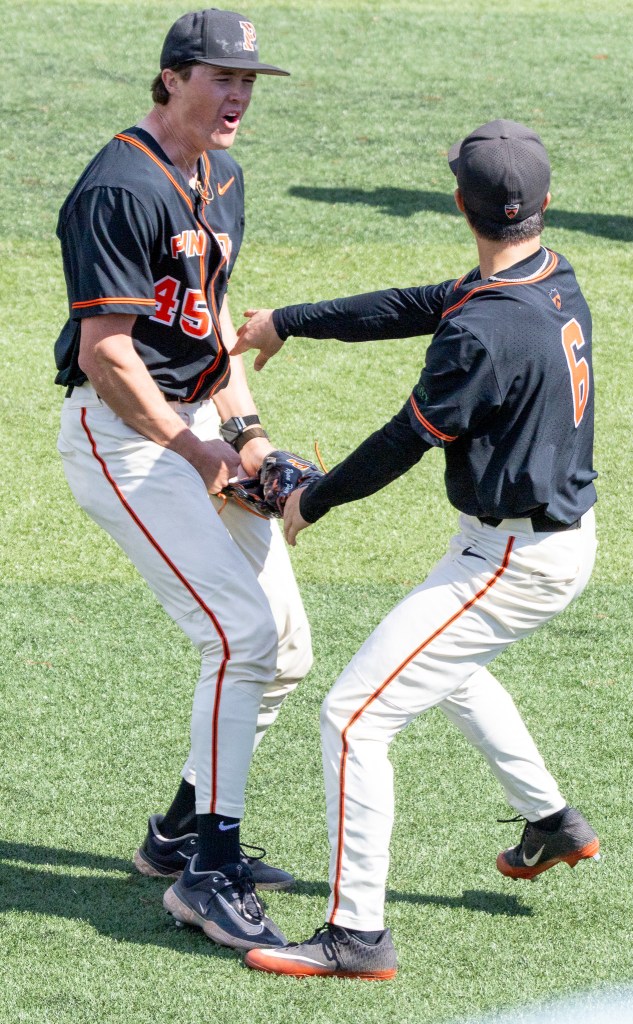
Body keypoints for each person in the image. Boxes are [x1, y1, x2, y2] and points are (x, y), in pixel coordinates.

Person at [235, 120, 601, 979]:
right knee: (443, 667)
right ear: (542, 206)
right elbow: (416, 305)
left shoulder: (482, 335)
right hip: (539, 541)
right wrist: (290, 322)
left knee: (354, 718)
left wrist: (308, 501)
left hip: (513, 562)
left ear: (455, 203)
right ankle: (550, 822)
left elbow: (405, 439)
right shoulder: (548, 278)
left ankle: (356, 935)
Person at [54, 9, 313, 952]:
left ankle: (174, 838)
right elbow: (106, 354)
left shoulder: (225, 175)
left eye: (249, 81)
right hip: (127, 441)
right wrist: (197, 449)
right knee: (238, 632)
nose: (239, 95)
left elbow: (204, 324)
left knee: (283, 647)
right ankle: (210, 869)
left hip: (198, 426)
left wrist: (246, 434)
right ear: (170, 78)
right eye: (221, 77)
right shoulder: (119, 185)